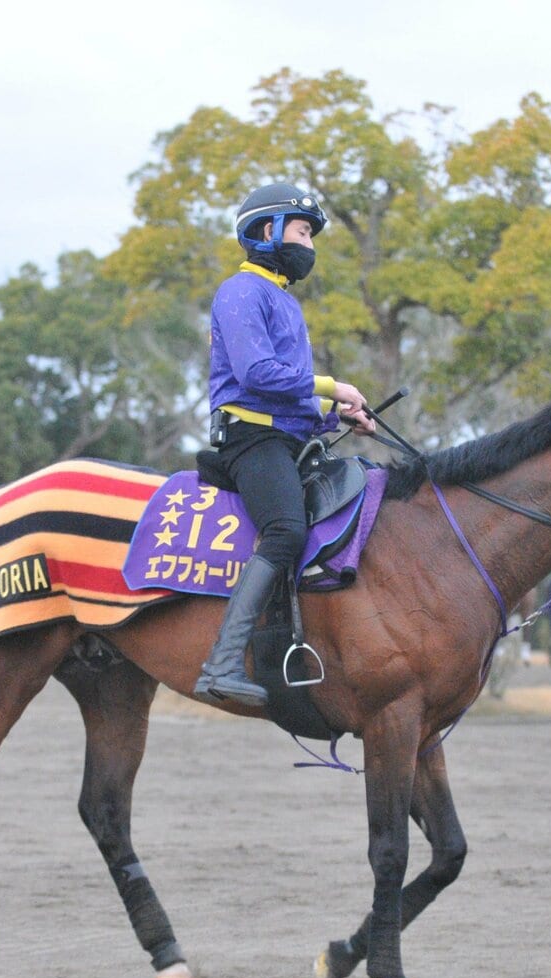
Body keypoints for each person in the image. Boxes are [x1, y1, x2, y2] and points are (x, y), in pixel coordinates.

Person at [193, 183, 376, 707]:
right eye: (302, 231)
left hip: (282, 437)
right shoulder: (241, 291)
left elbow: (290, 396)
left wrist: (334, 414)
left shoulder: (282, 301)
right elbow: (257, 373)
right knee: (286, 529)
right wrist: (331, 386)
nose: (310, 245)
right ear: (267, 231)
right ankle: (222, 663)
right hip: (248, 441)